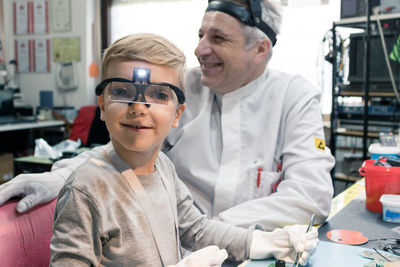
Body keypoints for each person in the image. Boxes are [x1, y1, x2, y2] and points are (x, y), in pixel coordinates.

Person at [0, 0, 334, 231]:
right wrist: (61, 177)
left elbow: (310, 197)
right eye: (201, 35)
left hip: (251, 251)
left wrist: (216, 230)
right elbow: (122, 152)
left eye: (218, 38)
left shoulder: (294, 97)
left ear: (260, 50)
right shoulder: (182, 86)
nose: (200, 49)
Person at [49, 32, 318, 267]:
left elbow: (196, 229)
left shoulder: (164, 167)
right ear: (103, 106)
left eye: (159, 95)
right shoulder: (86, 190)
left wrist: (262, 241)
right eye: (122, 91)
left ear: (178, 114)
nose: (139, 107)